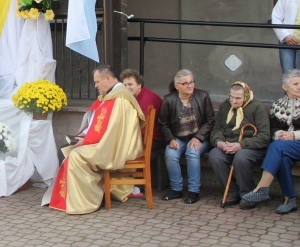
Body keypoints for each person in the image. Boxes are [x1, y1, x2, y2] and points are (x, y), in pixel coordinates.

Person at [47, 65, 145, 214]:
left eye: (97, 82)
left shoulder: (120, 98)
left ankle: (86, 201)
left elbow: (111, 130)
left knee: (76, 156)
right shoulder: (112, 96)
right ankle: (70, 197)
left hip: (118, 146)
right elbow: (98, 124)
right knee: (66, 150)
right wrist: (83, 136)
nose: (95, 86)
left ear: (108, 78)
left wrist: (85, 141)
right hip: (110, 142)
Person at [242, 69, 300, 214]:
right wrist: (279, 134)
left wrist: (293, 135)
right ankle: (290, 199)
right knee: (282, 158)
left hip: (295, 143)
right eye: (295, 84)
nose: (299, 86)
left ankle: (262, 188)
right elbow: (272, 129)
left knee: (276, 148)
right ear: (285, 87)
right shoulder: (277, 104)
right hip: (286, 147)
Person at [208, 81, 270, 209]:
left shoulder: (257, 107)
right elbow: (216, 129)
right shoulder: (225, 105)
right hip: (229, 143)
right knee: (215, 155)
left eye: (238, 98)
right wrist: (220, 142)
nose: (233, 101)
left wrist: (241, 145)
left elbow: (264, 137)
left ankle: (247, 194)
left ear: (246, 96)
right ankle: (232, 192)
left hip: (251, 146)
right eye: (231, 97)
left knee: (241, 158)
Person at [159, 69, 215, 204]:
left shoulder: (203, 96)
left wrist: (198, 137)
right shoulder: (169, 100)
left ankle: (194, 191)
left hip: (199, 137)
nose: (190, 86)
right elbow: (163, 123)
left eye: (191, 82)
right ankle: (176, 189)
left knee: (192, 152)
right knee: (170, 153)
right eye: (185, 83)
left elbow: (210, 121)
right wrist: (171, 139)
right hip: (179, 137)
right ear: (177, 85)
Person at [120, 69, 164, 197]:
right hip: (141, 136)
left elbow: (142, 126)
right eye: (125, 85)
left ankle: (131, 186)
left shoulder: (147, 99)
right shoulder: (132, 97)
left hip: (153, 138)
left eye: (130, 84)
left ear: (139, 85)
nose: (127, 87)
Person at [272, 0, 300, 73]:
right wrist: (285, 36)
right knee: (288, 75)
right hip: (287, 41)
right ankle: (287, 91)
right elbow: (276, 16)